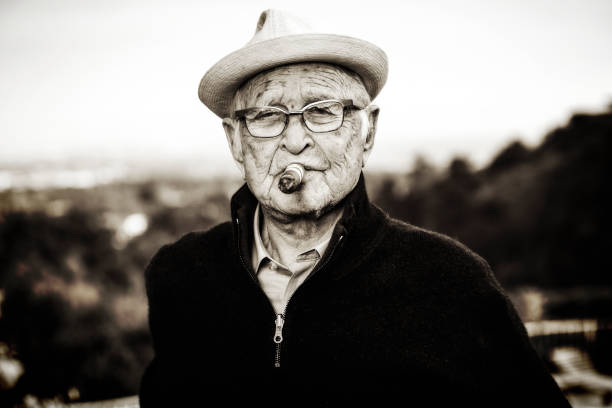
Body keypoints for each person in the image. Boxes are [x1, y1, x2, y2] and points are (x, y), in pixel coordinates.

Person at [139, 9, 570, 407]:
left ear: (367, 132)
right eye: (268, 115)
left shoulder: (453, 283)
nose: (294, 141)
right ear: (235, 140)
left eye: (322, 111)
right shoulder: (181, 276)